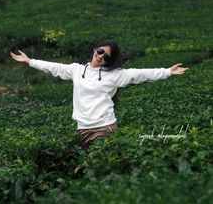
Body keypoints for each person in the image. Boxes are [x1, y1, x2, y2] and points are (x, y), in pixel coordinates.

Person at [10, 40, 189, 150]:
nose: (101, 57)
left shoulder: (115, 75)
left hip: (105, 127)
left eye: (107, 57)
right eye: (101, 51)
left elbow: (139, 74)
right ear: (95, 50)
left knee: (100, 166)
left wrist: (167, 71)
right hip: (82, 128)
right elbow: (54, 67)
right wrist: (30, 61)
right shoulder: (76, 70)